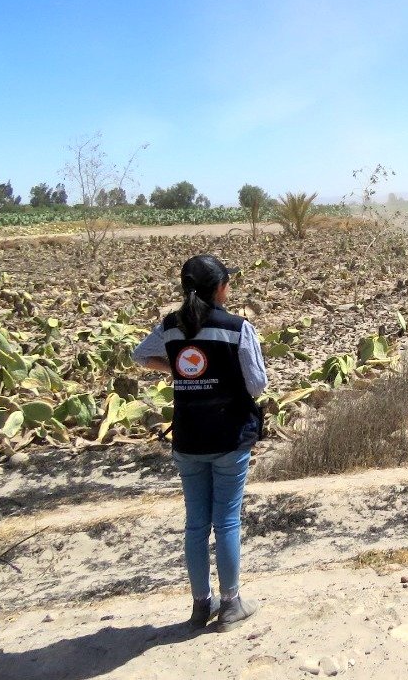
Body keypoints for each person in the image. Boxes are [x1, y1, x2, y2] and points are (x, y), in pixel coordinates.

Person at [133, 254, 267, 631]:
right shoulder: (237, 327)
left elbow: (140, 355)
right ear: (221, 287)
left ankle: (198, 605)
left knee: (195, 523)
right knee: (226, 521)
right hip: (228, 436)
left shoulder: (170, 327)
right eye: (229, 282)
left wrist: (179, 370)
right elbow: (257, 384)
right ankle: (230, 605)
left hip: (188, 437)